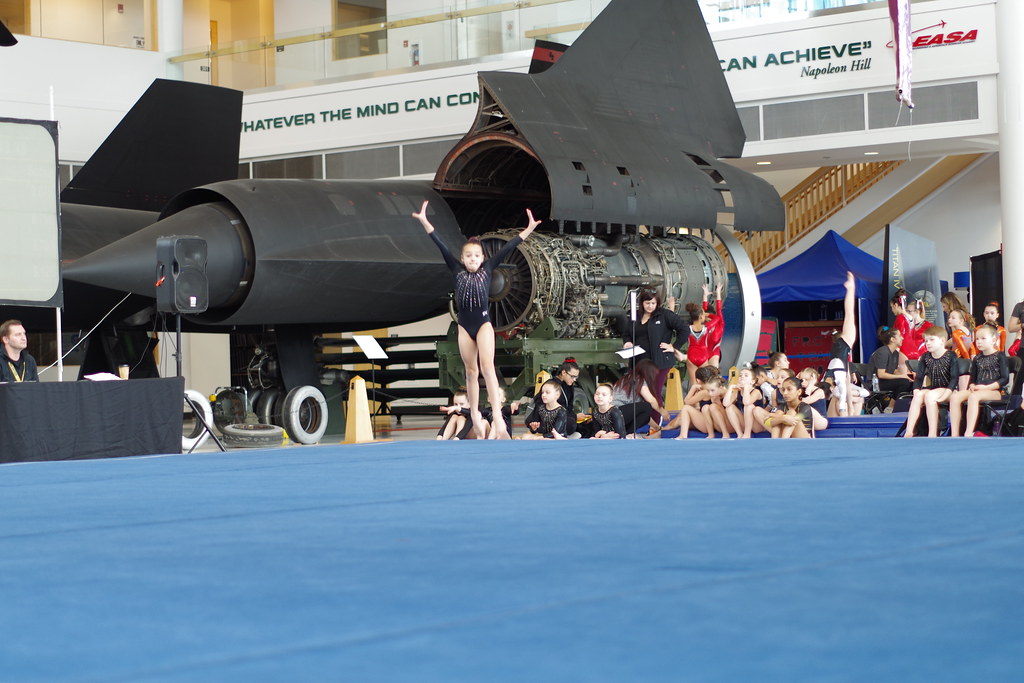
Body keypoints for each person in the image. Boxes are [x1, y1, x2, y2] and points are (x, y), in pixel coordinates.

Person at [414, 200, 539, 439]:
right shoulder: (456, 269)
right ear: (462, 257)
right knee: (471, 372)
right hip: (464, 326)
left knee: (487, 368)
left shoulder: (488, 268)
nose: (472, 259)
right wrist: (425, 221)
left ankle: (498, 417)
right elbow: (439, 244)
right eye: (468, 256)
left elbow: (509, 247)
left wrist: (528, 229)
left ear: (482, 258)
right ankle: (474, 417)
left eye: (476, 256)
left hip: (482, 324)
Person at [620, 289, 689, 401]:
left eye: (653, 303)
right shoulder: (635, 315)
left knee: (654, 393)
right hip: (638, 362)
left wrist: (674, 346)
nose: (650, 306)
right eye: (647, 303)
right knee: (638, 393)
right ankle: (644, 418)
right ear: (642, 302)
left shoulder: (664, 315)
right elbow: (626, 333)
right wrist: (627, 342)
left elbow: (684, 329)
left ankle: (656, 418)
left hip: (659, 363)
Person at [949, 323, 1009, 437]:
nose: (979, 341)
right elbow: (973, 378)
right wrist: (971, 385)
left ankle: (968, 432)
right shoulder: (977, 358)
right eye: (977, 339)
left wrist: (987, 387)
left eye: (983, 338)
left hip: (994, 392)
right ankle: (955, 433)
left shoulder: (1000, 356)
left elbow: (1005, 379)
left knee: (973, 396)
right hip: (978, 390)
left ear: (993, 340)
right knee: (955, 397)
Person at [903, 326, 960, 438]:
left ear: (942, 340)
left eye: (931, 340)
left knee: (929, 395)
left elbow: (954, 378)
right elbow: (919, 377)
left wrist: (946, 394)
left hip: (950, 390)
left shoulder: (951, 355)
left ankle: (932, 433)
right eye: (926, 341)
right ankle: (909, 431)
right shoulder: (925, 357)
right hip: (934, 389)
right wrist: (916, 391)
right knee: (919, 395)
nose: (928, 343)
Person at [610, 358, 671, 437]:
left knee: (644, 412)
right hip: (617, 412)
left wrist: (658, 428)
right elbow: (651, 400)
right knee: (647, 406)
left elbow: (646, 416)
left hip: (614, 414)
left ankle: (626, 433)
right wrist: (662, 410)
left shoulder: (626, 378)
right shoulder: (638, 379)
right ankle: (629, 433)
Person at [825, 272, 858, 415]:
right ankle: (850, 289)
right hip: (841, 353)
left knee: (850, 315)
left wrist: (848, 408)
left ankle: (851, 289)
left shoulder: (840, 347)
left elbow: (845, 376)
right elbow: (846, 374)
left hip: (842, 351)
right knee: (850, 314)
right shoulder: (844, 342)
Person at [682, 283, 725, 389]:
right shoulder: (705, 327)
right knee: (697, 381)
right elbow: (703, 310)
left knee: (712, 379)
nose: (708, 320)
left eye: (709, 318)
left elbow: (718, 312)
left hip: (713, 353)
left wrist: (718, 293)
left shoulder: (719, 324)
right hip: (702, 354)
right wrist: (705, 296)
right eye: (705, 317)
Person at [723, 365, 768, 438]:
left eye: (746, 375)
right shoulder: (737, 392)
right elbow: (725, 404)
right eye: (740, 375)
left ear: (752, 381)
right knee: (729, 407)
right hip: (746, 423)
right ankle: (739, 433)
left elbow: (746, 402)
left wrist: (746, 388)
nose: (742, 377)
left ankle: (747, 434)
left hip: (757, 425)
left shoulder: (756, 391)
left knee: (749, 406)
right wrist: (731, 388)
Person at [869, 326, 914, 398]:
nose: (902, 338)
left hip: (885, 381)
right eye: (899, 336)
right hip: (875, 383)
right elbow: (881, 374)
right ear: (892, 339)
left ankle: (894, 406)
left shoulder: (895, 353)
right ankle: (891, 406)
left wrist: (907, 375)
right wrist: (901, 376)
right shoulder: (883, 352)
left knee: (911, 382)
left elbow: (894, 371)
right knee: (904, 383)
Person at [797, 367, 829, 433]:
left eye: (806, 379)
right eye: (801, 380)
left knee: (806, 408)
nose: (803, 382)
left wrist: (810, 385)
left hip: (820, 421)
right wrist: (795, 382)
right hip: (805, 420)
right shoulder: (800, 391)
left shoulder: (819, 391)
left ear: (813, 379)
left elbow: (805, 402)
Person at [1009, 297, 1024, 396]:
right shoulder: (1020, 306)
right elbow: (1011, 327)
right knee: (1018, 379)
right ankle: (1015, 407)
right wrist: (1022, 325)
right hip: (1023, 348)